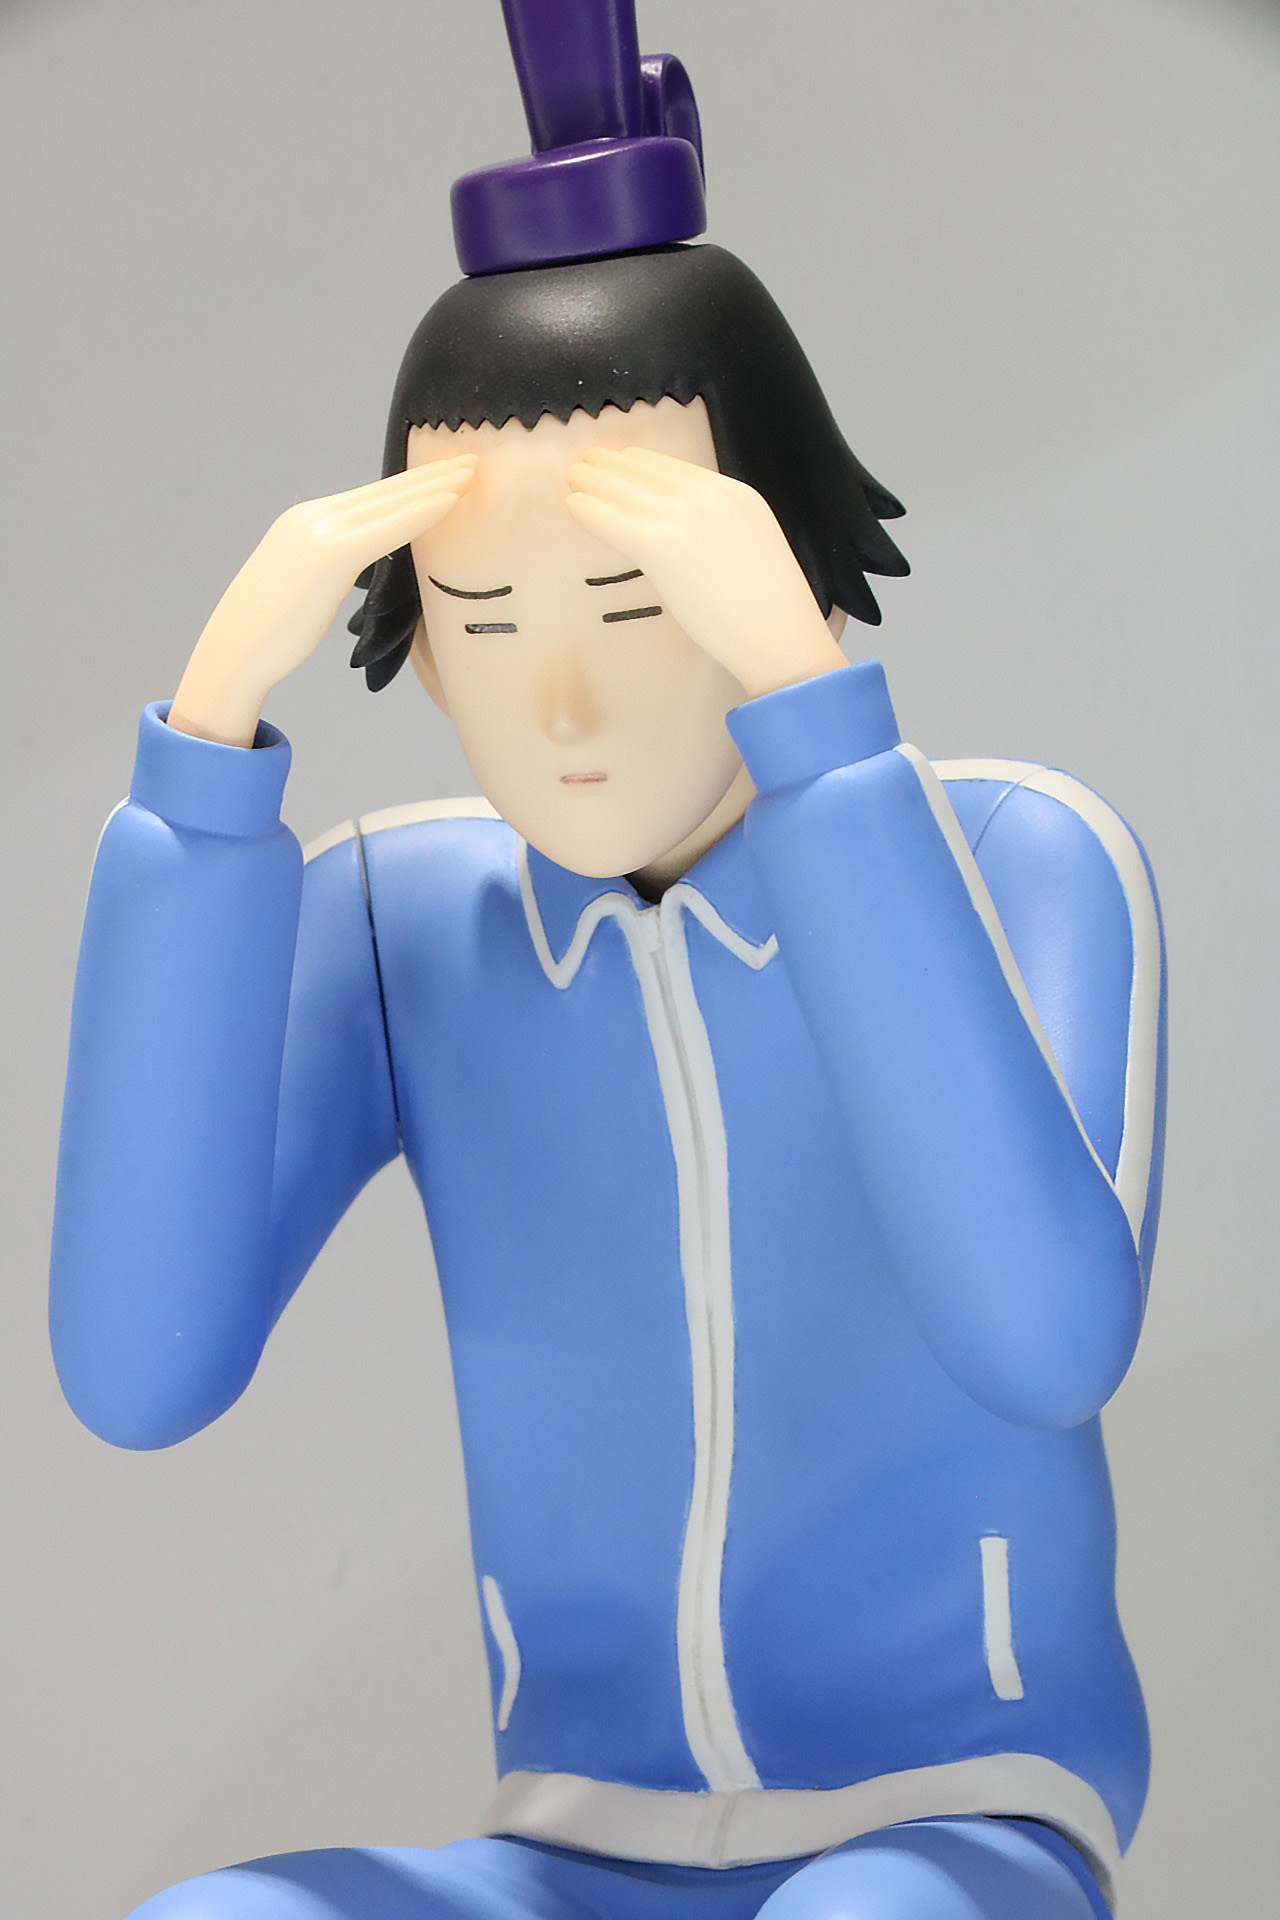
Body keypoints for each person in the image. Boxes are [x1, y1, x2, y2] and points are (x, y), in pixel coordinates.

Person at [49, 13, 1165, 1920]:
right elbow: (139, 1368)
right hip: (571, 1837)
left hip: (954, 1810)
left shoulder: (1013, 858)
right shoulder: (398, 929)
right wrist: (207, 760)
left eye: (641, 600)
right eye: (481, 618)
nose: (556, 704)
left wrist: (821, 735)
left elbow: (1045, 1334)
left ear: (775, 565)